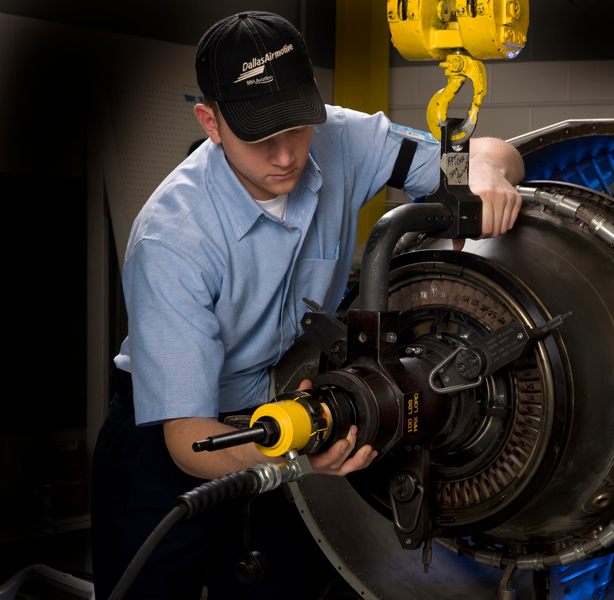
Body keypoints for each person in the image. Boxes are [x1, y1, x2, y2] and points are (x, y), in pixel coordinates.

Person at [91, 10, 524, 600]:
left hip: (291, 410)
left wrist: (486, 173)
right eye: (259, 136)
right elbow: (189, 439)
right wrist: (297, 459)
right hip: (174, 442)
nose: (285, 155)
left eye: (296, 126)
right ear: (210, 121)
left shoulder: (346, 137)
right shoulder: (173, 239)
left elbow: (485, 154)